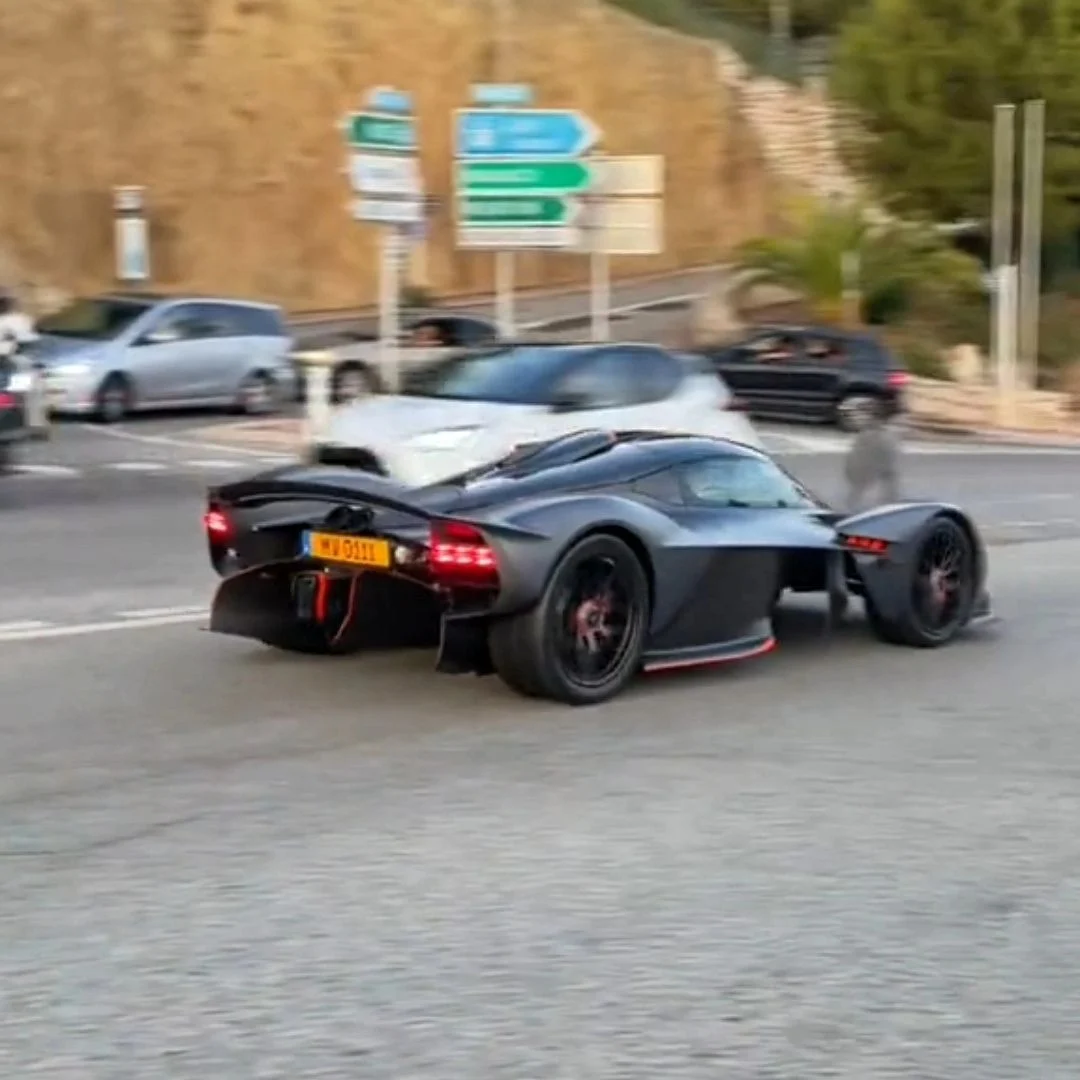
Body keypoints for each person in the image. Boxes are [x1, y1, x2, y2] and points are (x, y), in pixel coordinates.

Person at [843, 399, 902, 511]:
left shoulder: (874, 434)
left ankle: (886, 505)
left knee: (866, 488)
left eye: (859, 415)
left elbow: (883, 452)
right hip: (868, 468)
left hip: (871, 466)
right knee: (864, 488)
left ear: (870, 415)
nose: (855, 418)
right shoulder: (871, 432)